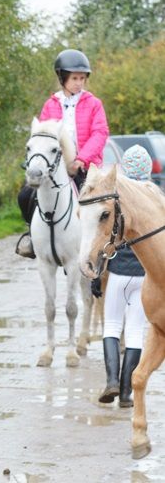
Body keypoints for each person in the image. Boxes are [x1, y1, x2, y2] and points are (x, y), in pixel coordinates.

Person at [16, 49, 110, 258]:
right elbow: (41, 134)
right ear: (62, 78)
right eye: (74, 78)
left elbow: (100, 132)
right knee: (25, 195)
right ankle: (32, 237)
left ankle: (101, 246)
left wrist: (80, 160)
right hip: (55, 168)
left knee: (100, 203)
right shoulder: (51, 104)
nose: (79, 82)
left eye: (82, 78)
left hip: (85, 167)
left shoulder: (94, 104)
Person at [97, 145, 151, 407]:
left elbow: (104, 238)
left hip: (117, 273)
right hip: (143, 277)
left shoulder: (116, 199)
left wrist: (97, 276)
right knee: (136, 332)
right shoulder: (153, 198)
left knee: (111, 326)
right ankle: (127, 393)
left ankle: (111, 381)